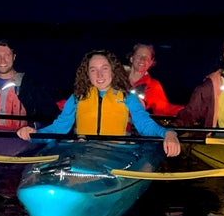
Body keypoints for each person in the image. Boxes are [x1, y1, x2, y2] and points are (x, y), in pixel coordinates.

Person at [16, 49, 181, 157]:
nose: (100, 75)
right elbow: (60, 128)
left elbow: (145, 125)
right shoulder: (77, 98)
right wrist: (34, 135)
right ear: (87, 74)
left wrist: (168, 133)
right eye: (93, 70)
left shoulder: (128, 98)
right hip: (83, 151)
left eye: (105, 68)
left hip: (117, 154)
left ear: (113, 70)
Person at [0, 39, 60, 130]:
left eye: (7, 55)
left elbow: (53, 116)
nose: (2, 60)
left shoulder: (29, 85)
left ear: (14, 57)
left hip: (17, 140)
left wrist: (34, 127)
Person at [125, 43, 185, 117]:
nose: (142, 59)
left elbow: (165, 109)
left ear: (151, 63)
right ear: (131, 58)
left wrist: (188, 110)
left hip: (132, 126)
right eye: (139, 55)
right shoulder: (115, 77)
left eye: (146, 57)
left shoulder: (153, 86)